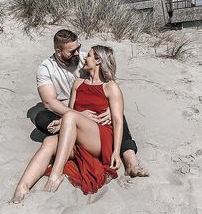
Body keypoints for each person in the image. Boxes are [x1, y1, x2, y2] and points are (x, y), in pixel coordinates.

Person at [12, 45, 123, 202]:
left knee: (70, 117)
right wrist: (62, 122)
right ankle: (22, 188)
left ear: (98, 60)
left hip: (100, 139)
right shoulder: (78, 83)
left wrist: (116, 152)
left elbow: (118, 121)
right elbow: (70, 112)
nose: (85, 58)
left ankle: (56, 174)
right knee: (49, 141)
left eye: (89, 55)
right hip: (77, 138)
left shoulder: (110, 86)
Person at [35, 29, 148, 177]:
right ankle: (70, 143)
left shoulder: (85, 59)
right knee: (41, 118)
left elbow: (107, 83)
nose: (78, 54)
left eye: (79, 48)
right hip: (65, 110)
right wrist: (77, 115)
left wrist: (108, 106)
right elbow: (49, 102)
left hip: (93, 112)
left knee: (117, 114)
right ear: (58, 51)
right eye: (72, 51)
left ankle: (130, 160)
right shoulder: (46, 68)